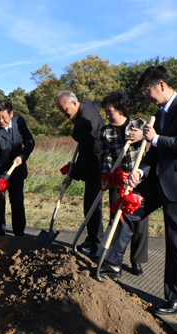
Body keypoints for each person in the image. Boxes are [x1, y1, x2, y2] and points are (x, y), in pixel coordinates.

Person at [98, 66, 177, 315]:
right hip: (157, 181)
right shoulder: (159, 115)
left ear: (161, 84)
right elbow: (155, 154)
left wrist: (156, 138)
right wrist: (140, 172)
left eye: (147, 90)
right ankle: (112, 264)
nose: (146, 96)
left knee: (176, 241)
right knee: (127, 208)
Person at [99, 91, 149, 276]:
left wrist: (142, 137)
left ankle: (137, 260)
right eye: (106, 111)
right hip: (118, 179)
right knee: (116, 219)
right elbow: (106, 156)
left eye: (110, 111)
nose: (107, 115)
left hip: (139, 179)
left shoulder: (139, 124)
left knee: (139, 222)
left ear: (121, 110)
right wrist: (106, 176)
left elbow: (152, 143)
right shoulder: (106, 131)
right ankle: (112, 260)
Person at [56, 90, 104, 256]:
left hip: (96, 161)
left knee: (92, 203)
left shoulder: (84, 121)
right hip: (91, 158)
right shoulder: (85, 104)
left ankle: (97, 242)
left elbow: (85, 154)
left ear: (74, 103)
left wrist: (72, 175)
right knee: (89, 202)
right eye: (60, 111)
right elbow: (95, 104)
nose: (63, 114)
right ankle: (92, 237)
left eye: (64, 110)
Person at [0, 100, 35, 237]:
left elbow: (30, 142)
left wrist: (22, 156)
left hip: (17, 169)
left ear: (11, 114)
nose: (0, 120)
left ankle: (19, 235)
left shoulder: (20, 122)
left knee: (17, 202)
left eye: (4, 117)